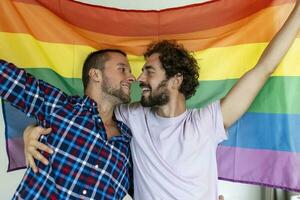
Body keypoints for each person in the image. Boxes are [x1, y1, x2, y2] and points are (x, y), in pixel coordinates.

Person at [23, 1, 300, 199]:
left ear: (176, 80)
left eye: (149, 71)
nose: (138, 78)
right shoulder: (130, 116)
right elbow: (82, 117)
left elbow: (264, 69)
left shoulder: (206, 122)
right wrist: (30, 131)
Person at [0, 49, 135, 199]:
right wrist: (29, 130)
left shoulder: (129, 142)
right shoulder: (60, 106)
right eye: (122, 70)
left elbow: (155, 188)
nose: (132, 77)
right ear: (96, 74)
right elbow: (6, 77)